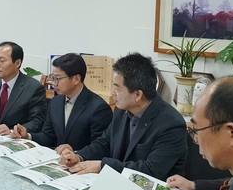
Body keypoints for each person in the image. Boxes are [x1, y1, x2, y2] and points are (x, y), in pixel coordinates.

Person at [58, 52, 186, 181]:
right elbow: (105, 143)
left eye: (117, 88)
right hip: (120, 185)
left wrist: (102, 165)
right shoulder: (122, 111)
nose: (112, 92)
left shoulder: (171, 124)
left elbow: (151, 171)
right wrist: (78, 156)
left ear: (137, 95)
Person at [10, 53, 112, 151]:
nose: (54, 83)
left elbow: (100, 148)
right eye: (53, 78)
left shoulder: (99, 108)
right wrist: (27, 136)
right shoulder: (56, 102)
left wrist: (76, 154)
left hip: (82, 164)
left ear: (76, 79)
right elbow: (48, 136)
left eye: (58, 78)